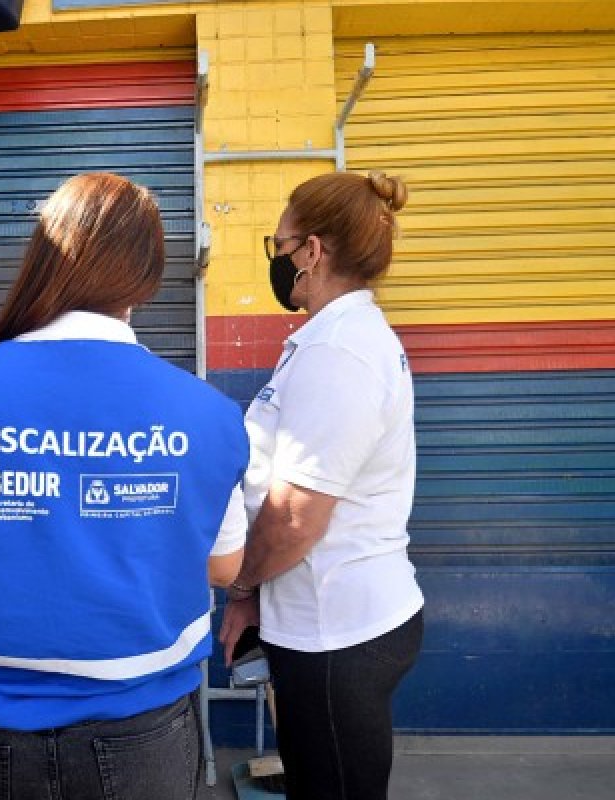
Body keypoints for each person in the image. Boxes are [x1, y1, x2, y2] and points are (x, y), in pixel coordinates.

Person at [0, 172, 250, 800]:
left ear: (41, 257)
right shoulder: (211, 417)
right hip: (144, 736)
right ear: (148, 278)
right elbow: (225, 566)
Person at [218, 170, 425, 800]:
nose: (276, 261)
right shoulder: (330, 340)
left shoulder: (341, 352)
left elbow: (294, 516)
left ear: (311, 251)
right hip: (326, 619)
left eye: (278, 246)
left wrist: (244, 587)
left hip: (339, 633)